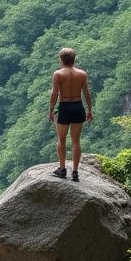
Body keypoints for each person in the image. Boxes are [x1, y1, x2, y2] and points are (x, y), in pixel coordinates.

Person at [48, 47, 92, 181]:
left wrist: (50, 110)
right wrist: (89, 110)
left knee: (61, 140)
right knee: (76, 141)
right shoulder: (82, 74)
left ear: (61, 59)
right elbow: (86, 93)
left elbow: (54, 93)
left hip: (65, 107)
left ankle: (62, 169)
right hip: (78, 106)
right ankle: (75, 172)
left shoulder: (58, 74)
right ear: (74, 59)